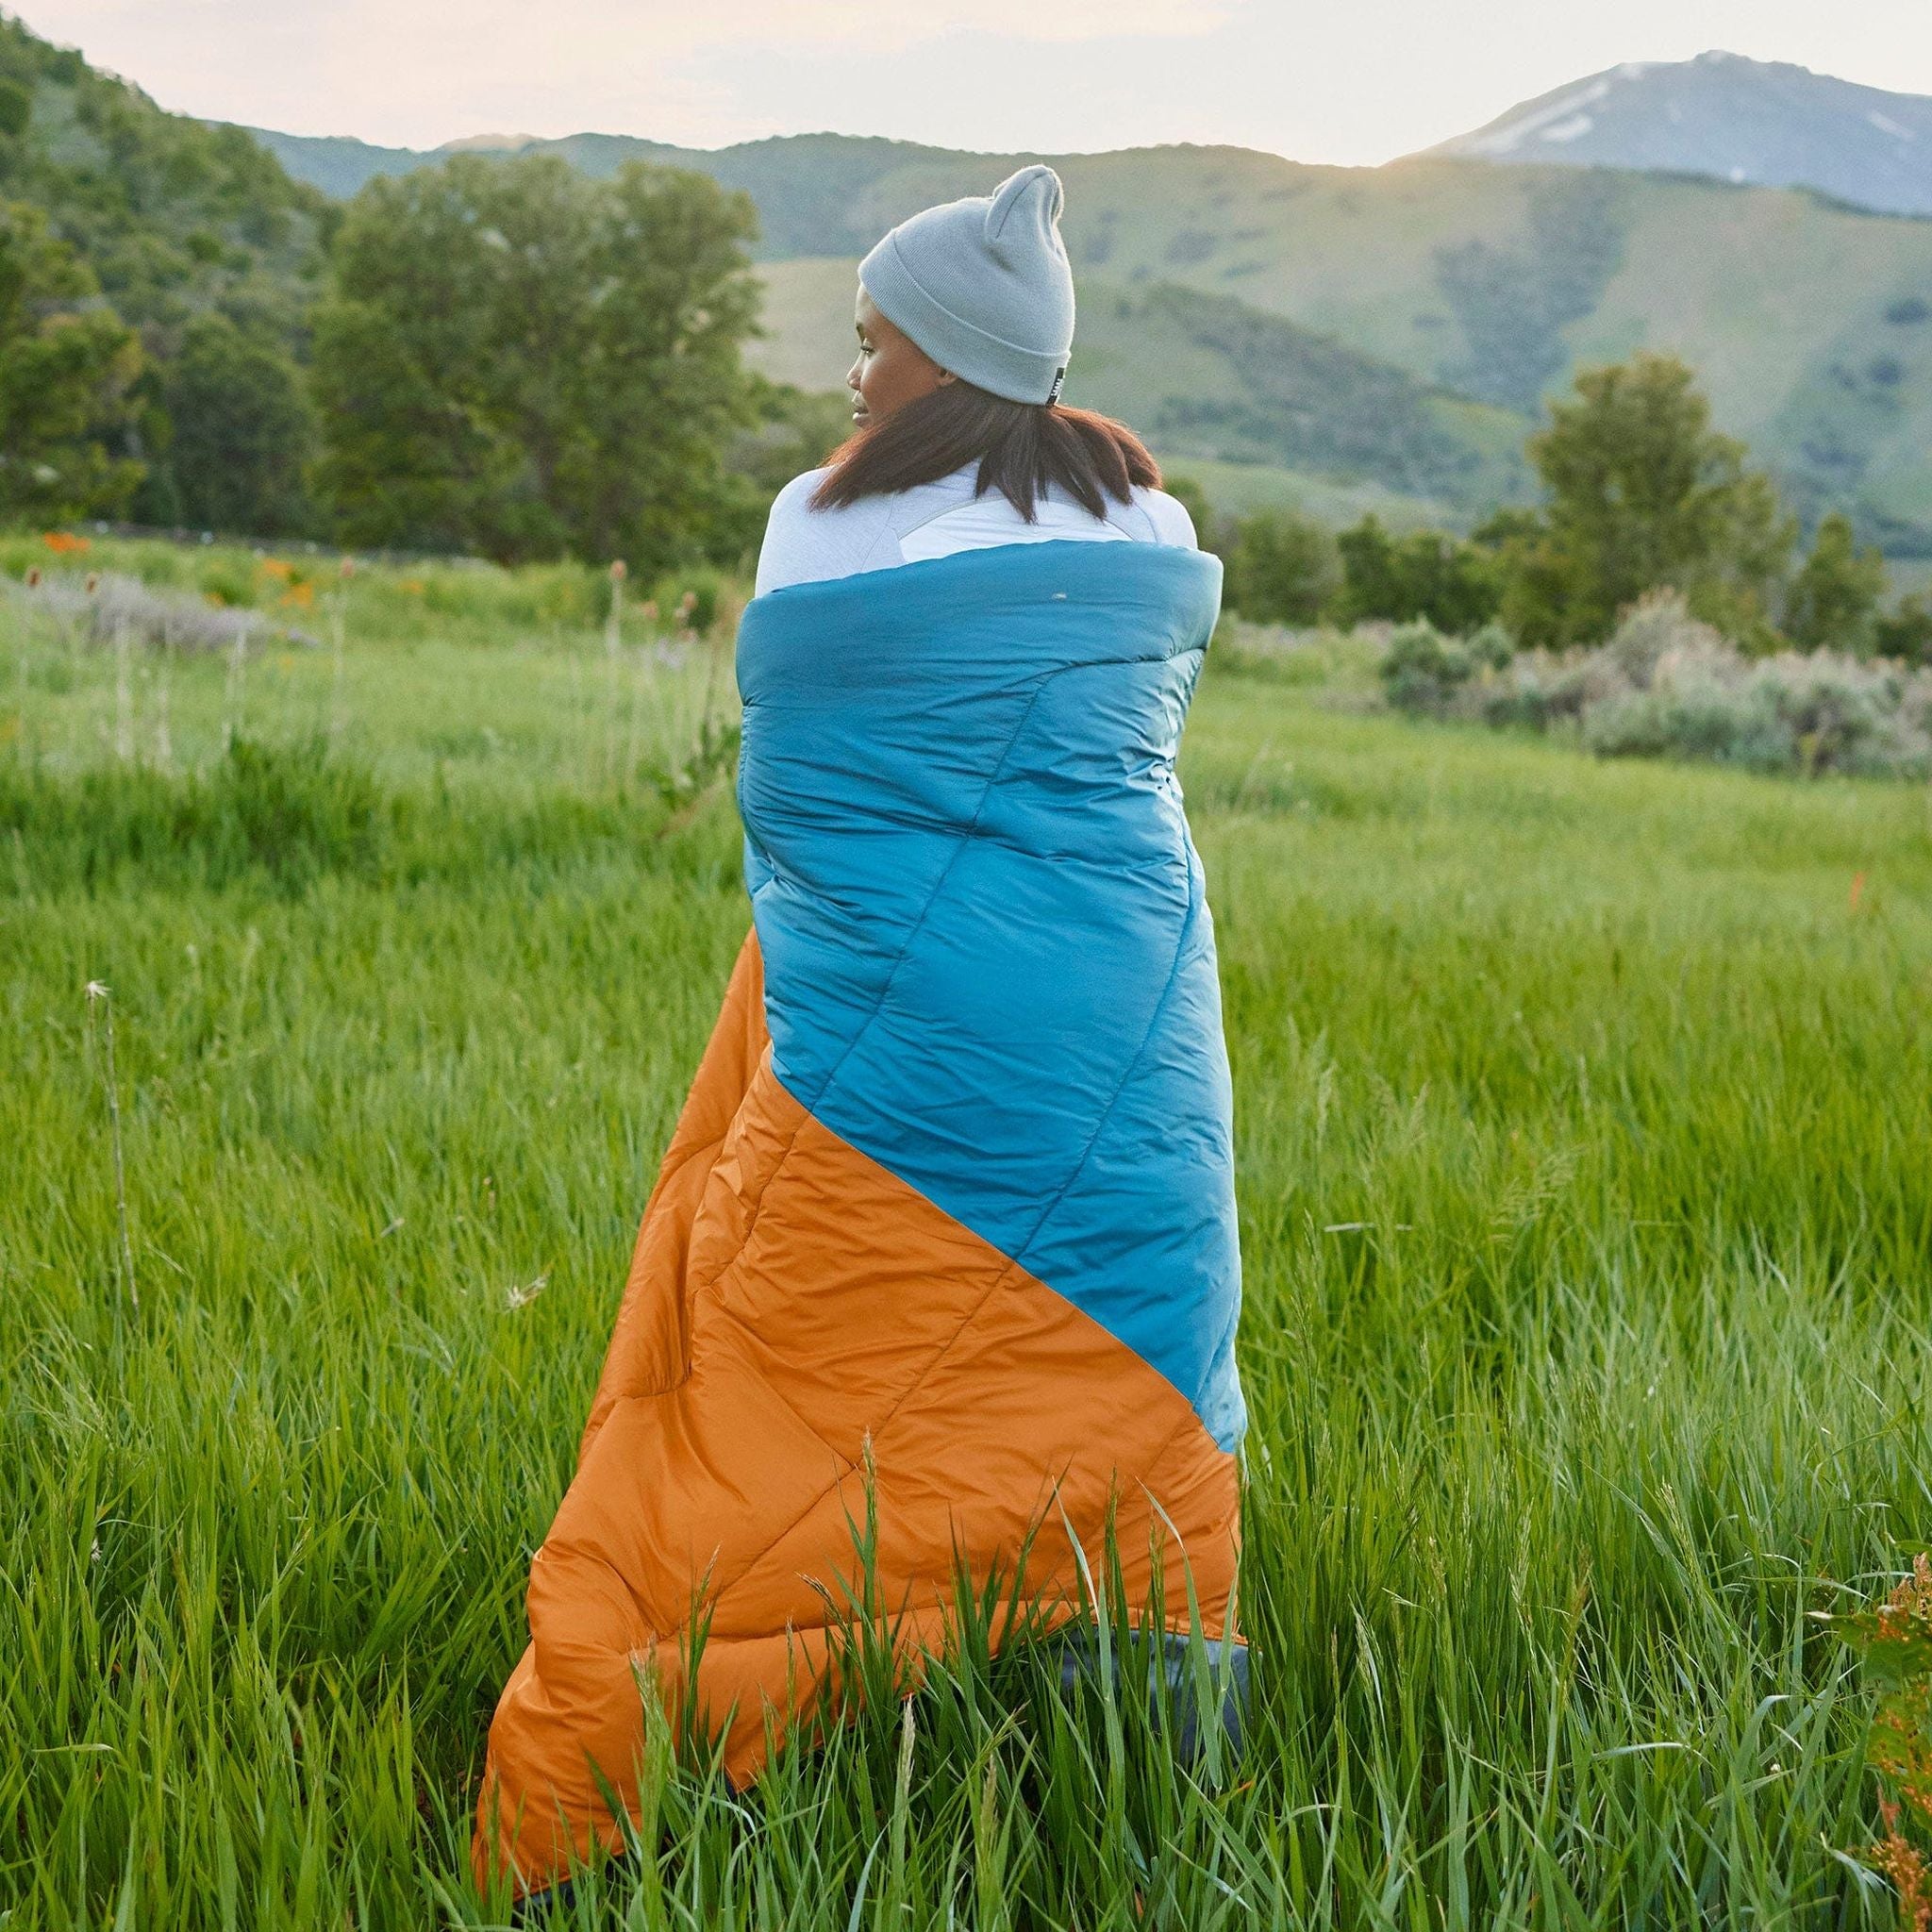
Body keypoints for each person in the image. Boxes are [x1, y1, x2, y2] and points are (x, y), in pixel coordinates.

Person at [475, 164, 1246, 1904]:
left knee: (794, 1370)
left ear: (954, 355)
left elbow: (821, 793)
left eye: (874, 338)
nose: (851, 371)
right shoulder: (1150, 525)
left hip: (888, 1061)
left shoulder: (816, 525)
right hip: (1128, 998)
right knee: (1132, 1347)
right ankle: (1139, 1769)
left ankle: (656, 1742)